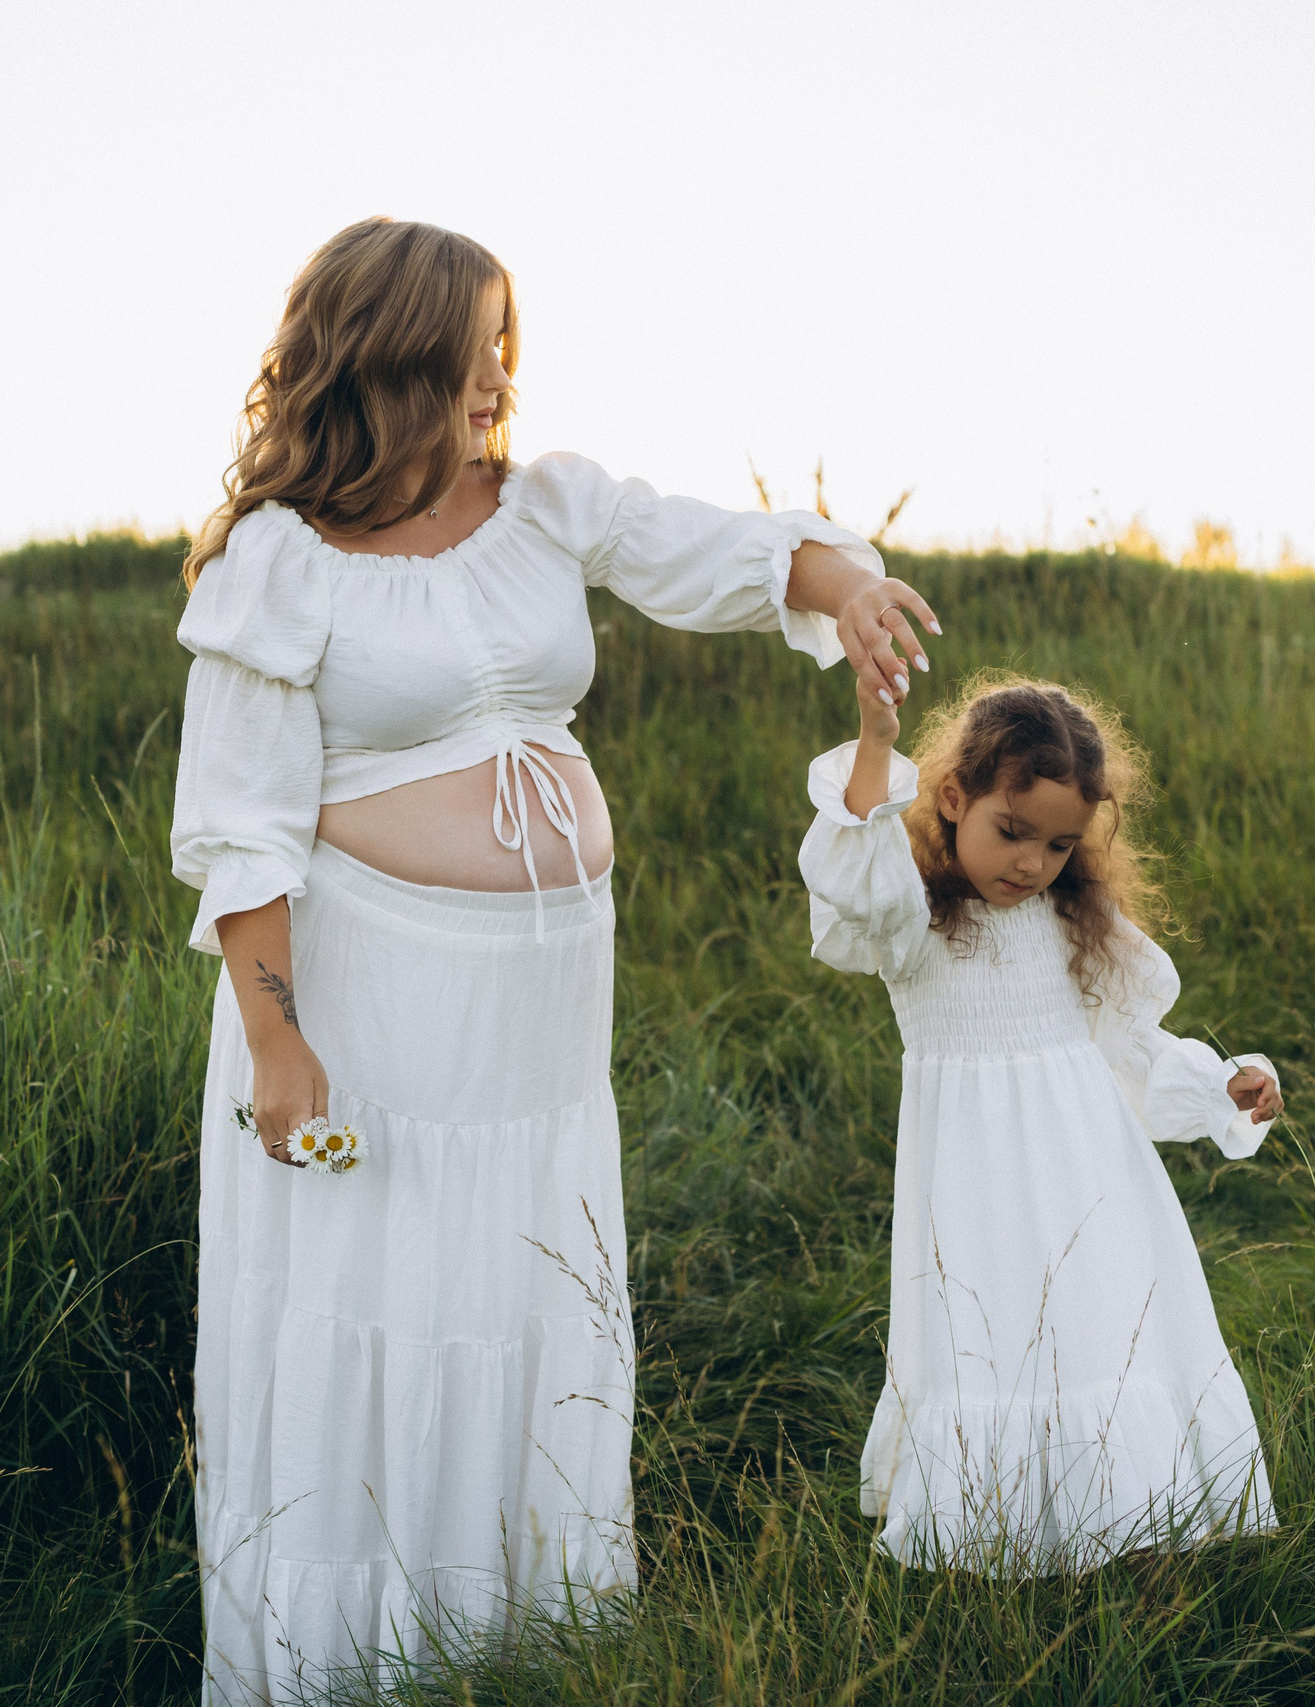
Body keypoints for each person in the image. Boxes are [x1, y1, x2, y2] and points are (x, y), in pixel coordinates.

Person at [167, 217, 940, 1699]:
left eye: (506, 349)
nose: (498, 381)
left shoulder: (543, 503)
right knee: (381, 1287)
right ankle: (365, 1655)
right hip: (376, 999)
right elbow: (242, 830)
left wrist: (841, 586)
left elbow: (719, 548)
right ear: (392, 353)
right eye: (474, 351)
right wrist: (277, 1039)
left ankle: (520, 1641)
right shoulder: (281, 561)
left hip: (537, 1006)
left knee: (517, 1283)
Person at [797, 672, 1283, 1574]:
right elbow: (852, 873)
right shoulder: (916, 918)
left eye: (1058, 845)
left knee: (1100, 1328)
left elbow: (1129, 1044)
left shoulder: (1070, 919)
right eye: (1010, 832)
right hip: (973, 1180)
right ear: (952, 797)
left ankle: (1129, 1527)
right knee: (994, 1335)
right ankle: (1001, 1531)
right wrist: (873, 739)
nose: (1030, 864)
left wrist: (1225, 1083)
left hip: (1086, 1170)